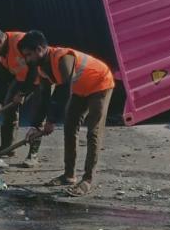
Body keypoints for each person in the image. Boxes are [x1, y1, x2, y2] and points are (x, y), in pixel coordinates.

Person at [18, 30, 115, 197]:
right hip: (81, 89)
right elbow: (44, 98)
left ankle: (87, 180)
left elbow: (63, 90)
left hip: (100, 83)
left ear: (40, 49)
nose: (27, 60)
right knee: (70, 128)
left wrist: (52, 120)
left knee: (93, 132)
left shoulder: (63, 58)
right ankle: (69, 175)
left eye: (29, 55)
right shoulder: (41, 68)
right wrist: (35, 125)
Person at [0, 24, 47, 166]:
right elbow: (2, 78)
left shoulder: (20, 42)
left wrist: (23, 93)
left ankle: (32, 155)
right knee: (8, 106)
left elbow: (34, 67)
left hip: (41, 79)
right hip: (21, 79)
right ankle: (7, 147)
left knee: (37, 115)